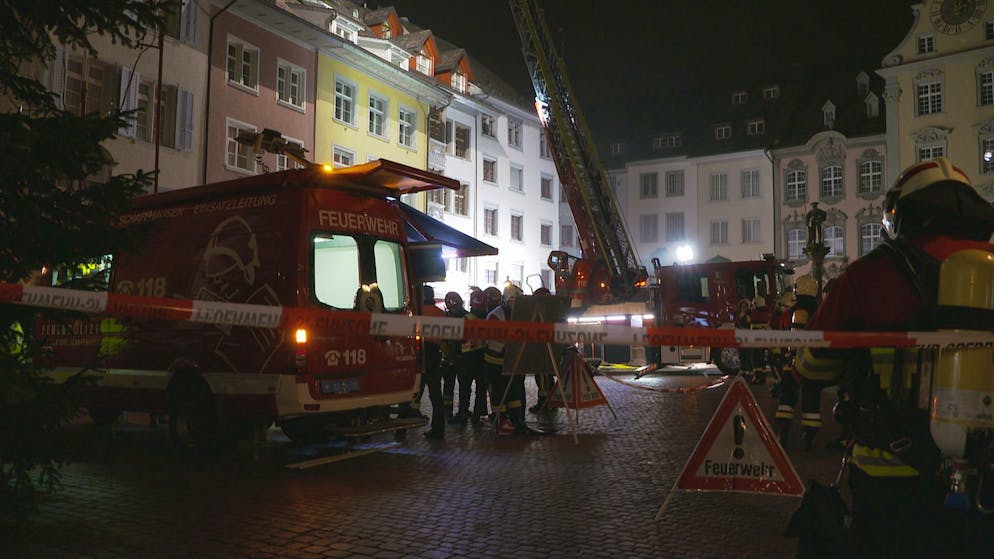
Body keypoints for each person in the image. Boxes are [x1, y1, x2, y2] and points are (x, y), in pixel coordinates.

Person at [792, 158, 994, 557]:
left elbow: (812, 366)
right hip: (984, 472)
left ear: (899, 214)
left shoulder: (868, 275)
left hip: (889, 473)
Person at [775, 274, 825, 450]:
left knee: (787, 393)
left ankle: (783, 432)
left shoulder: (800, 311)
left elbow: (796, 339)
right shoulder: (820, 310)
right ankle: (809, 436)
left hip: (798, 362)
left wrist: (789, 357)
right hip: (815, 362)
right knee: (811, 396)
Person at [483, 283, 538, 435]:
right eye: (515, 301)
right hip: (496, 362)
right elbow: (494, 340)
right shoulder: (496, 315)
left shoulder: (520, 315)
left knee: (516, 394)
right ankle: (501, 421)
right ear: (507, 300)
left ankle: (517, 420)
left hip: (514, 362)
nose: (517, 304)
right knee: (498, 394)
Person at [450, 288, 489, 425]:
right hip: (483, 358)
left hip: (467, 359)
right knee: (481, 389)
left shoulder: (466, 319)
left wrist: (455, 354)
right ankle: (477, 416)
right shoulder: (489, 318)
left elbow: (459, 339)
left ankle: (463, 414)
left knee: (465, 389)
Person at [419, 285, 447, 439]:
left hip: (420, 352)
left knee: (415, 389)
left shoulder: (418, 312)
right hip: (435, 353)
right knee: (436, 393)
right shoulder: (441, 313)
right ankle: (438, 427)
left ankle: (401, 430)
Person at [528, 287, 555, 413]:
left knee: (543, 377)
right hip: (546, 349)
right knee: (546, 377)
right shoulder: (553, 311)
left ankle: (544, 403)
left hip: (542, 349)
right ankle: (550, 402)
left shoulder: (542, 313)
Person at [440, 291, 466, 419]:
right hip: (458, 358)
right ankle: (457, 411)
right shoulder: (466, 316)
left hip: (456, 358)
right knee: (457, 386)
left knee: (452, 387)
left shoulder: (446, 317)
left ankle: (452, 411)